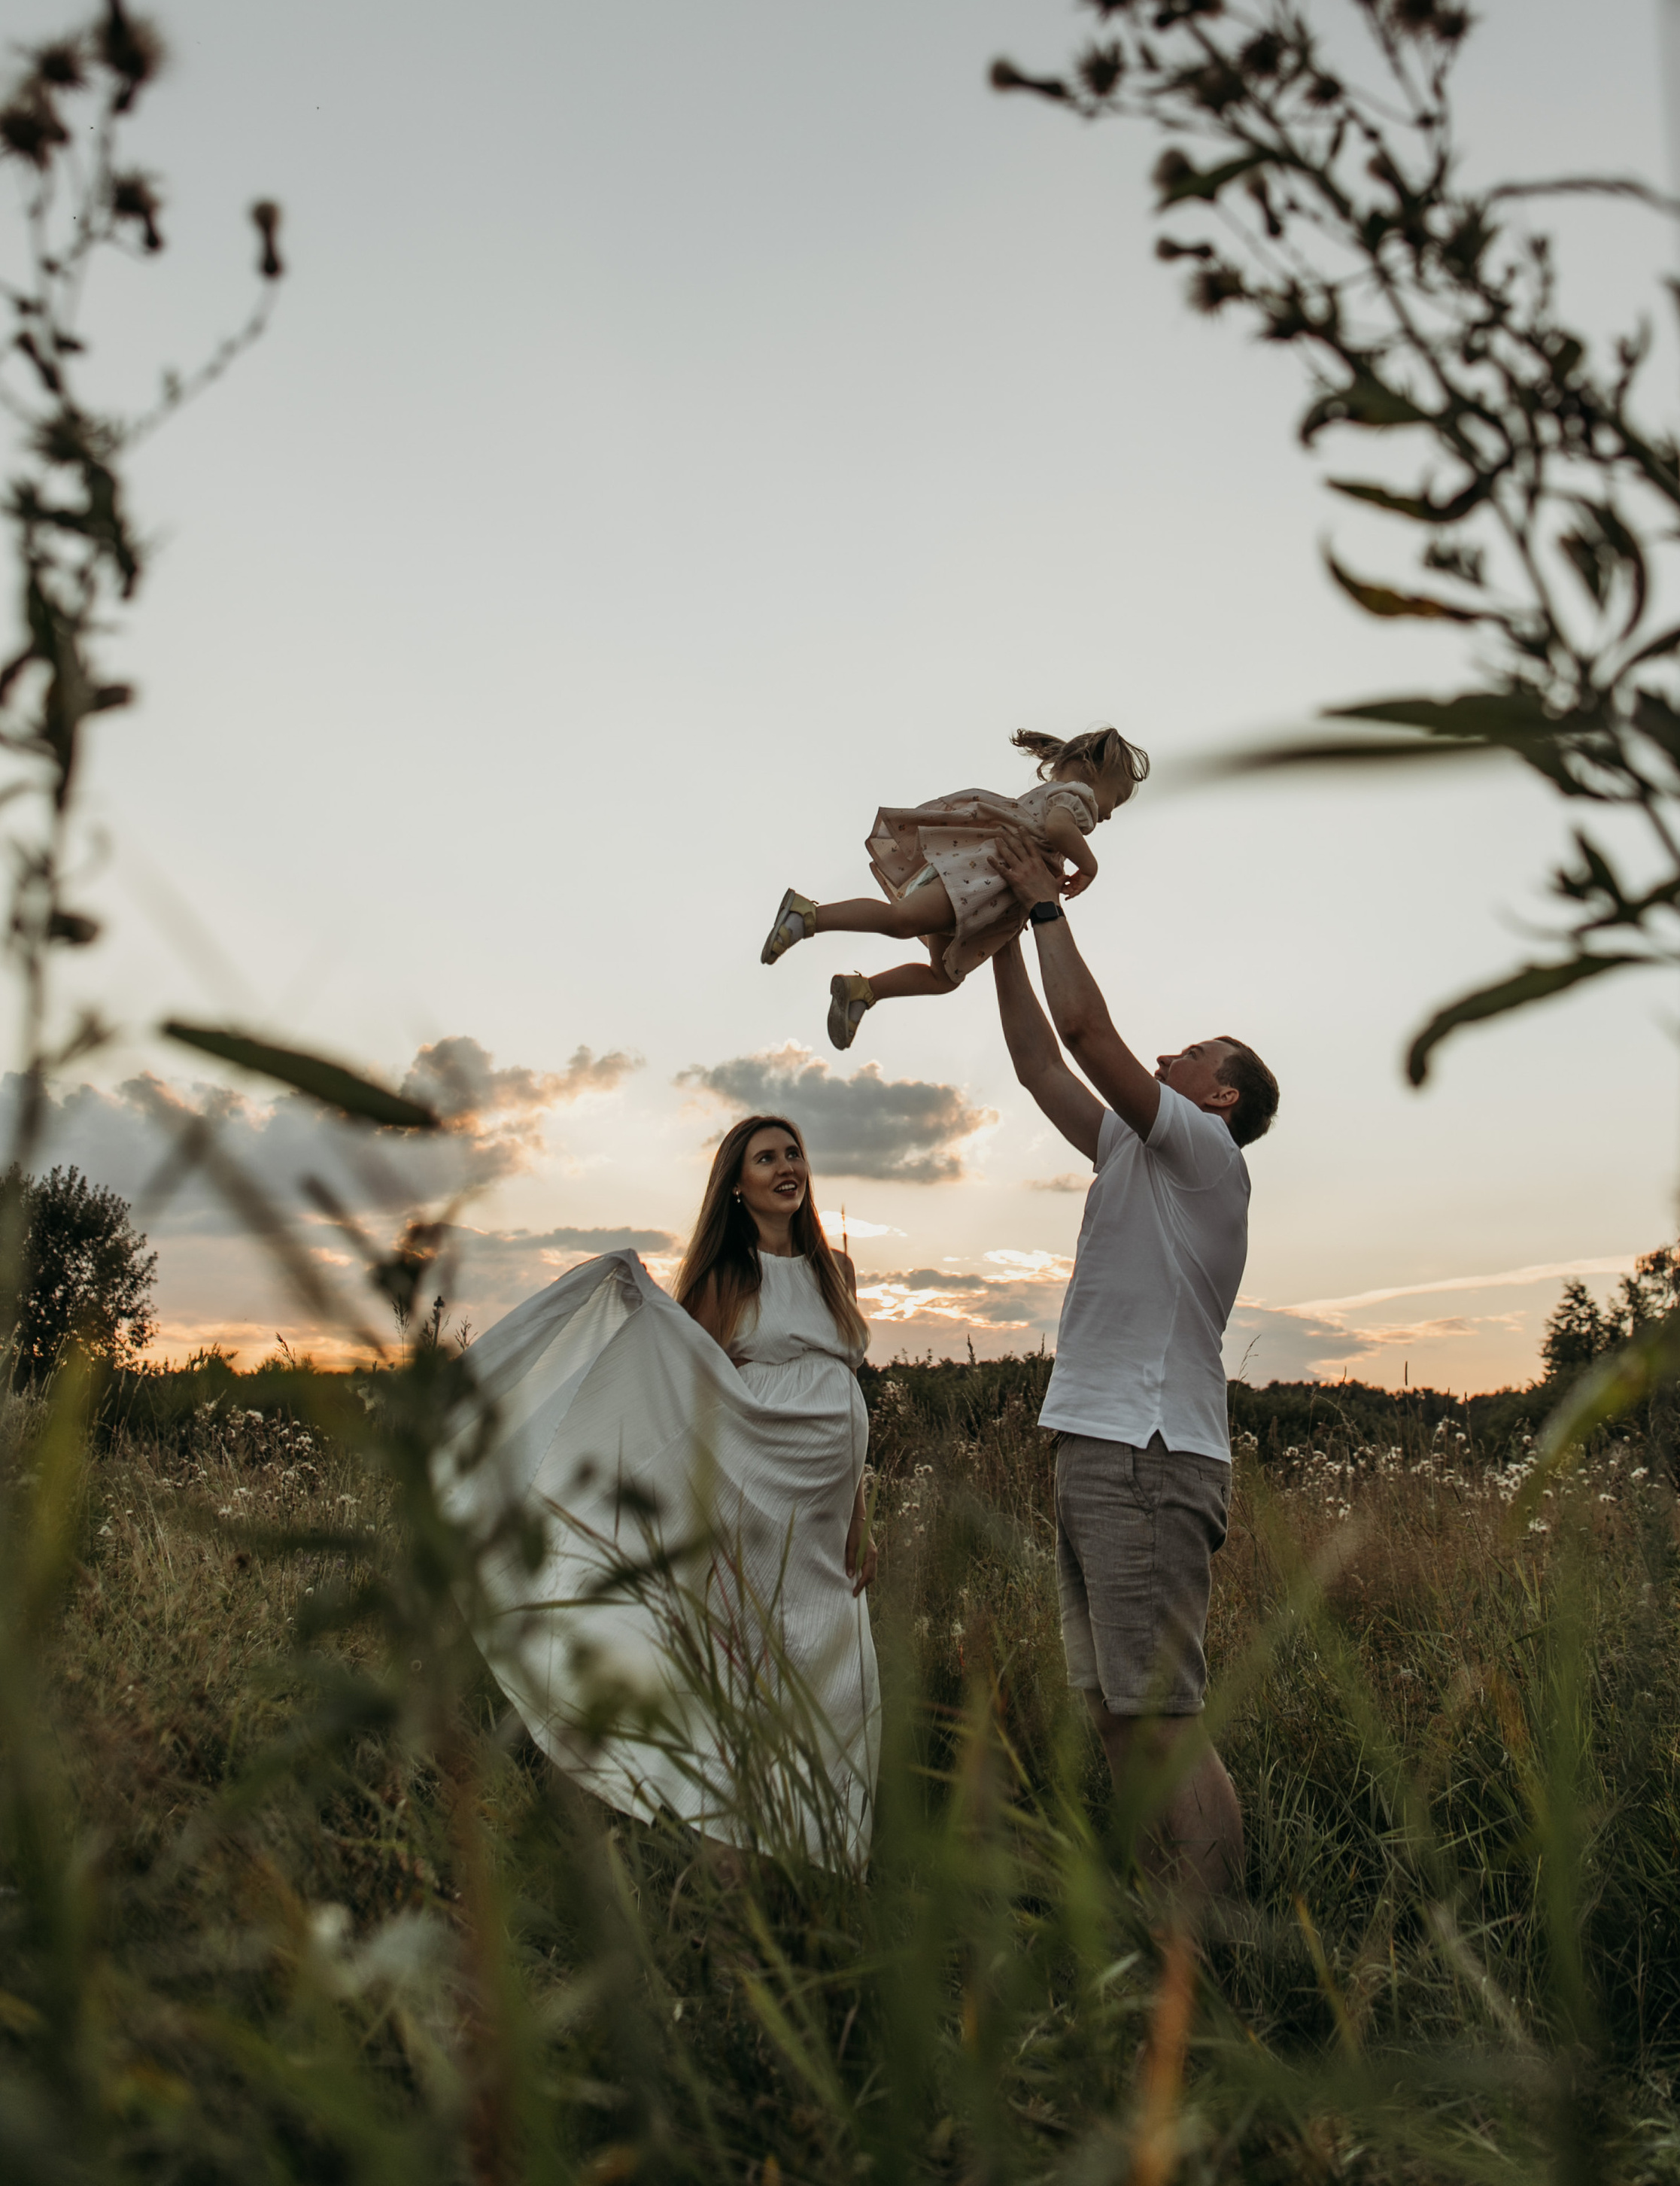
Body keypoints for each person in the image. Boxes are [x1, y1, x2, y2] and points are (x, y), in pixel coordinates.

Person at [434, 1114, 879, 1868]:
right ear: (735, 1187)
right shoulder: (724, 1282)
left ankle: (819, 1866)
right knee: (757, 1689)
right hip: (758, 1507)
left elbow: (845, 1398)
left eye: (793, 1152)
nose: (784, 1167)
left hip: (825, 1515)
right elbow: (691, 1393)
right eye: (764, 1158)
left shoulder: (836, 1269)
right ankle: (731, 1876)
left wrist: (861, 1515)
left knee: (840, 1687)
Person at [988, 822, 1277, 1909]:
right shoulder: (1130, 1149)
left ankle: (1206, 1965)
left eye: (1192, 1057)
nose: (1167, 1060)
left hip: (1150, 1456)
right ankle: (1166, 1927)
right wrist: (1001, 934)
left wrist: (1047, 904)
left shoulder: (1203, 1155)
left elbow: (1090, 1032)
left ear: (1222, 1098)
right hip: (1100, 1448)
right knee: (1117, 1715)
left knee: (1159, 1719)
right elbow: (1035, 1059)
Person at [758, 724, 1149, 1052]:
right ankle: (808, 915)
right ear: (1087, 771)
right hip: (971, 883)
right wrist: (1090, 866)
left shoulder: (1045, 796)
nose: (1108, 814)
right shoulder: (1075, 799)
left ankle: (863, 991)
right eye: (1112, 800)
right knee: (902, 921)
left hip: (973, 886)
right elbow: (1059, 828)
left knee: (944, 977)